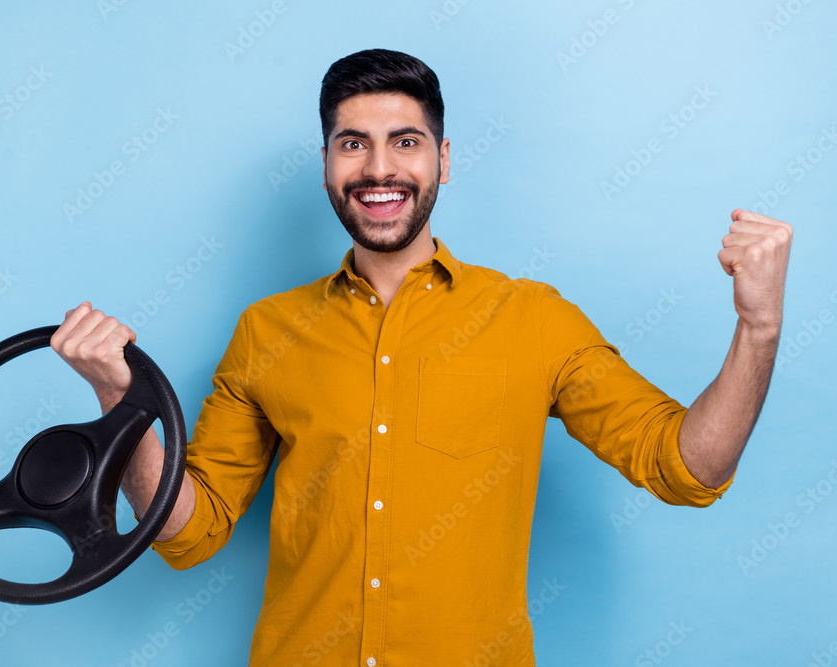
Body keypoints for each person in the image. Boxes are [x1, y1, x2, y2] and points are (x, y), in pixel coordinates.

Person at [50, 49, 792, 666]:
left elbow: (687, 466)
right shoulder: (266, 330)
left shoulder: (533, 318)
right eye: (353, 143)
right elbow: (190, 532)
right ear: (326, 163)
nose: (379, 169)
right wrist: (123, 403)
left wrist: (757, 327)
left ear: (442, 157)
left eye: (404, 141)